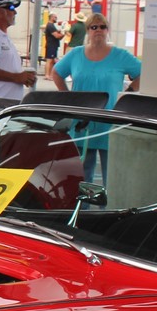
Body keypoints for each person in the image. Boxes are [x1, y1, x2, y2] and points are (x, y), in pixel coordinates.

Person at [50, 12, 142, 184]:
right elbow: (56, 73)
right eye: (94, 27)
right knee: (82, 177)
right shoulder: (76, 54)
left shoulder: (120, 55)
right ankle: (83, 210)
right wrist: (67, 97)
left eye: (102, 27)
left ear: (108, 30)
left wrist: (128, 93)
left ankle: (108, 209)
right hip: (82, 123)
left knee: (112, 177)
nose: (98, 30)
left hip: (111, 122)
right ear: (87, 31)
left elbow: (142, 73)